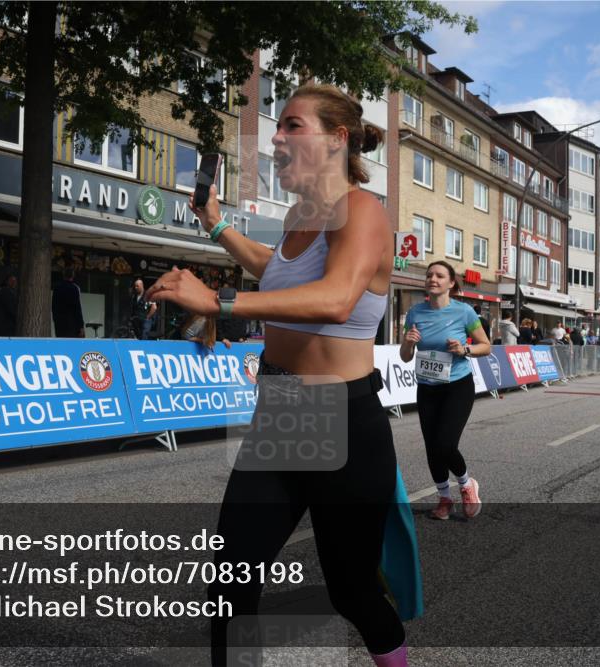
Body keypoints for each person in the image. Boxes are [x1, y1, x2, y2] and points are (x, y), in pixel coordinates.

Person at [143, 84, 412, 666]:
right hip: (286, 412)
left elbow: (337, 296)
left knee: (352, 592)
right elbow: (281, 271)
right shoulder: (299, 217)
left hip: (343, 417)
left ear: (337, 139)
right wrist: (217, 228)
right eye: (278, 126)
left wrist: (221, 303)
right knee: (230, 587)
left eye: (292, 125)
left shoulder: (365, 212)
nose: (277, 137)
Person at [401, 260, 491, 521]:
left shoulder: (464, 312)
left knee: (445, 443)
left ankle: (466, 485)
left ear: (451, 283)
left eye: (440, 276)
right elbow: (406, 356)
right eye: (429, 275)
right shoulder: (415, 313)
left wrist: (464, 350)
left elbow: (485, 346)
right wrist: (408, 343)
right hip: (427, 387)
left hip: (457, 386)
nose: (433, 279)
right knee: (432, 447)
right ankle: (444, 498)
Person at [52, 266, 84, 338]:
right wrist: (81, 325)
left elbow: (54, 306)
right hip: (72, 323)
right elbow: (77, 308)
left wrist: (55, 320)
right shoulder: (75, 288)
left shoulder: (57, 288)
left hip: (59, 323)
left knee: (61, 345)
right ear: (73, 276)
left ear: (63, 275)